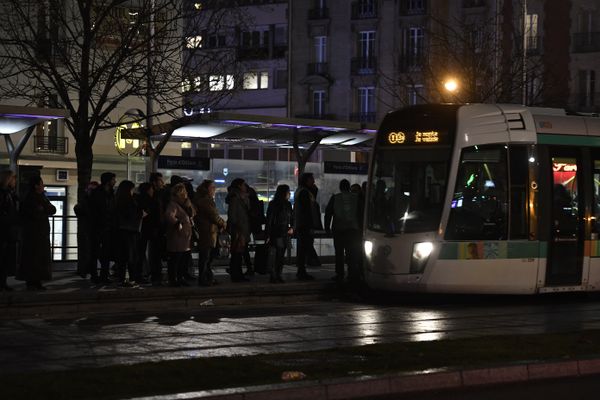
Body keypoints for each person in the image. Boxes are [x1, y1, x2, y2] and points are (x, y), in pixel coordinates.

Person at [16, 175, 56, 290]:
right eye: (41, 183)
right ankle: (33, 281)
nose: (43, 186)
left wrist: (43, 209)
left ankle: (35, 281)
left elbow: (52, 209)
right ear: (36, 186)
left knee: (37, 258)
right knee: (34, 257)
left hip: (39, 233)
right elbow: (37, 213)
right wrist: (43, 209)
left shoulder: (41, 197)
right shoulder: (32, 198)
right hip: (34, 233)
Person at [325, 179, 361, 284]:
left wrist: (327, 228)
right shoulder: (356, 198)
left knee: (339, 253)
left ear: (340, 188)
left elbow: (328, 213)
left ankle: (339, 274)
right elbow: (360, 213)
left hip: (339, 230)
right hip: (353, 230)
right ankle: (352, 274)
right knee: (352, 253)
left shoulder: (335, 198)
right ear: (349, 187)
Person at [193, 180, 226, 286]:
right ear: (206, 189)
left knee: (207, 257)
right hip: (207, 231)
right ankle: (204, 279)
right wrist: (223, 223)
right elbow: (213, 215)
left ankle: (208, 278)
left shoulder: (204, 200)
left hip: (208, 231)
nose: (214, 189)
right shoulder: (205, 201)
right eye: (212, 187)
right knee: (206, 257)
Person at [114, 180, 146, 286]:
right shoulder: (130, 201)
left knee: (122, 257)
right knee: (132, 256)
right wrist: (141, 214)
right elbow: (132, 215)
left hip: (120, 231)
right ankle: (132, 278)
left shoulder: (117, 200)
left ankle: (121, 278)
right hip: (131, 231)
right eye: (132, 189)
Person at [164, 183, 194, 287]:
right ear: (180, 193)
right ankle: (174, 279)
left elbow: (193, 214)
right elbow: (169, 215)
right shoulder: (173, 204)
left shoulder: (185, 204)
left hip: (185, 237)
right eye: (184, 192)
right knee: (176, 259)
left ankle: (180, 278)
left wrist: (189, 205)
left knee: (183, 260)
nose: (186, 193)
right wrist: (177, 223)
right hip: (178, 236)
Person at [89, 172, 117, 284]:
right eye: (113, 179)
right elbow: (97, 211)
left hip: (106, 227)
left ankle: (103, 275)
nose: (115, 181)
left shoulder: (108, 193)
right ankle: (96, 276)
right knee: (96, 252)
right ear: (108, 181)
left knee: (105, 253)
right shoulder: (99, 194)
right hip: (99, 227)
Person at [293, 172, 320, 281]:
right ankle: (302, 271)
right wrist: (310, 226)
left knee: (303, 248)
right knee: (304, 248)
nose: (313, 181)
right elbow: (307, 210)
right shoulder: (304, 192)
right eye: (312, 179)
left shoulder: (302, 191)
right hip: (305, 225)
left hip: (302, 224)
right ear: (307, 180)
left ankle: (301, 270)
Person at [265, 184, 293, 283]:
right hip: (277, 233)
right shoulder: (275, 204)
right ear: (284, 193)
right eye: (288, 191)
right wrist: (268, 234)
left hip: (284, 232)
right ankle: (275, 275)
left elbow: (291, 218)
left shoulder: (286, 204)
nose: (289, 193)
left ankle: (277, 274)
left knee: (280, 255)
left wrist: (291, 227)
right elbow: (269, 220)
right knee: (277, 255)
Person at [226, 178, 251, 282]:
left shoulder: (241, 197)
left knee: (238, 253)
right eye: (244, 185)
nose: (245, 187)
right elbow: (232, 215)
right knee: (237, 254)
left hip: (242, 229)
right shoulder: (235, 198)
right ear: (240, 186)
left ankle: (237, 273)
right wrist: (237, 226)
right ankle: (236, 275)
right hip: (239, 230)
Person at [137, 182, 161, 284]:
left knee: (141, 252)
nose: (153, 190)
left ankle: (141, 273)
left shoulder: (138, 200)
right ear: (148, 190)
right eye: (151, 189)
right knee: (153, 253)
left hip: (141, 229)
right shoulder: (152, 201)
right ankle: (152, 274)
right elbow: (155, 216)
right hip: (151, 229)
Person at [74, 181, 99, 279]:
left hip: (89, 227)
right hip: (90, 227)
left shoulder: (86, 199)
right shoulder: (88, 200)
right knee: (91, 250)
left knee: (90, 250)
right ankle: (89, 271)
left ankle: (87, 270)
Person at [0, 170, 19, 291]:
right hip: (4, 230)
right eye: (13, 179)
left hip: (7, 230)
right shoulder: (4, 194)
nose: (15, 181)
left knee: (5, 258)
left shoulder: (9, 193)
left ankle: (3, 283)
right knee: (2, 257)